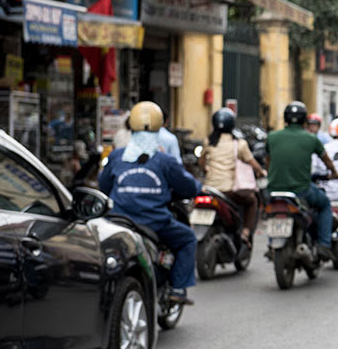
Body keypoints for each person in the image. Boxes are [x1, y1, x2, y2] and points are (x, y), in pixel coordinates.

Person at [98, 101, 200, 304]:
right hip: (155, 222)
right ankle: (178, 289)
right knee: (188, 238)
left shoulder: (117, 156)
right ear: (160, 124)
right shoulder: (164, 160)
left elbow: (104, 185)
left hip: (118, 221)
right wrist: (198, 188)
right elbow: (188, 187)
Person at [267, 101, 338, 258]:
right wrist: (334, 172)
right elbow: (327, 161)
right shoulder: (311, 139)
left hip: (274, 190)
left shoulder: (272, 137)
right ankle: (324, 244)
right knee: (325, 204)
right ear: (304, 121)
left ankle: (271, 244)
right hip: (301, 190)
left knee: (272, 212)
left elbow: (268, 160)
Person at [201, 108, 266, 246]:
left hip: (210, 189)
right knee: (252, 201)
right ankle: (245, 233)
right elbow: (252, 163)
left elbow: (201, 162)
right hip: (229, 191)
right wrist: (261, 172)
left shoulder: (208, 142)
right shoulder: (239, 144)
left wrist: (206, 171)